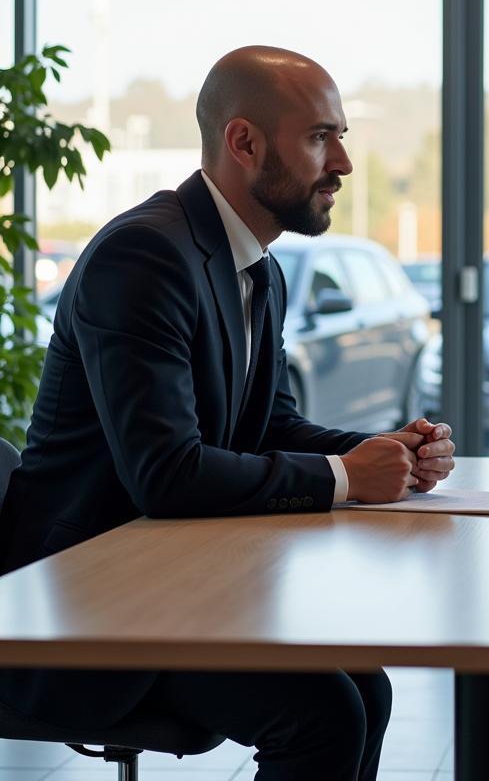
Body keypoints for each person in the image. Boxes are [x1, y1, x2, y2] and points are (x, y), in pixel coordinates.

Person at [0, 45, 456, 781]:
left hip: (178, 584)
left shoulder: (257, 268)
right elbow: (167, 475)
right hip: (83, 613)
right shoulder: (144, 257)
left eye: (340, 137)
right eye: (320, 137)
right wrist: (347, 476)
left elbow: (270, 425)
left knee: (363, 687)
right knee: (325, 716)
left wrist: (387, 450)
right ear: (243, 142)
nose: (341, 162)